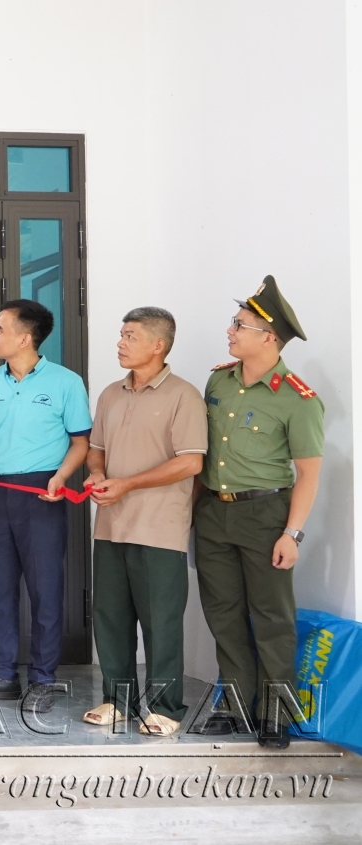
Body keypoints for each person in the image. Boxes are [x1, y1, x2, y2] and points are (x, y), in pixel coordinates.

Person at [192, 277, 322, 750]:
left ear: (269, 336)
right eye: (234, 322)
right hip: (213, 512)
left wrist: (294, 534)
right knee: (223, 613)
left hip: (265, 513)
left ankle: (276, 716)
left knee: (271, 618)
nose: (230, 331)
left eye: (240, 325)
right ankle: (236, 704)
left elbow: (308, 474)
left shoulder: (296, 397)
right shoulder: (219, 380)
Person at [0, 299, 91, 713]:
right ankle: (2, 673)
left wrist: (60, 479)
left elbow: (80, 442)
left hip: (41, 494)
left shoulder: (66, 382)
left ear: (25, 337)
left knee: (45, 591)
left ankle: (43, 678)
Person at [83, 308, 206, 736]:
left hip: (160, 528)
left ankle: (166, 707)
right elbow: (95, 448)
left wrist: (128, 484)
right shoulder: (110, 394)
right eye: (120, 334)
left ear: (158, 344)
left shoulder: (183, 395)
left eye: (130, 336)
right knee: (110, 618)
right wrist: (98, 475)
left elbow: (190, 462)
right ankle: (117, 701)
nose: (120, 342)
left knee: (161, 622)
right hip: (111, 524)